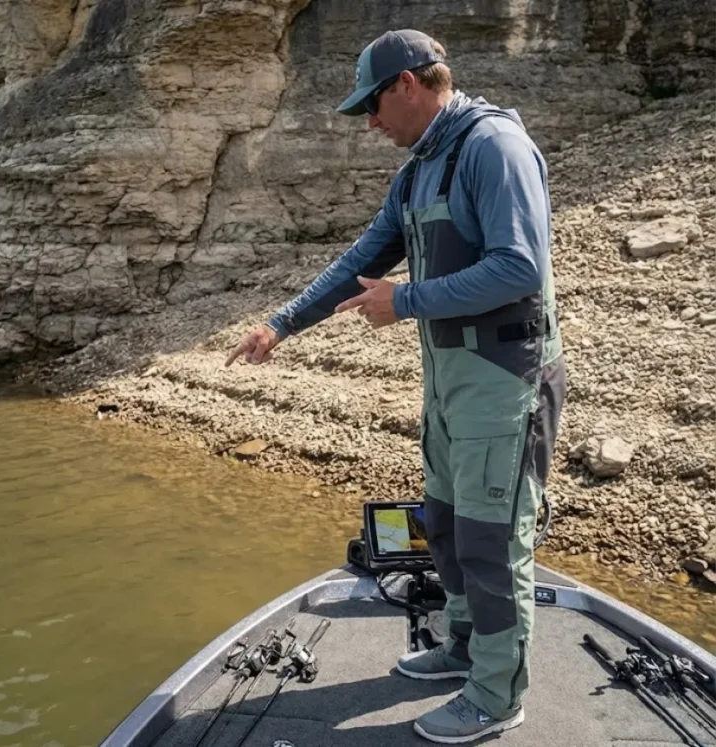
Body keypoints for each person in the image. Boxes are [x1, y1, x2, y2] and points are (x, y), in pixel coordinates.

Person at [224, 28, 567, 744]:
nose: (369, 124)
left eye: (372, 108)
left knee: (491, 540)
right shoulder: (418, 169)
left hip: (504, 381)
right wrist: (282, 325)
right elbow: (361, 259)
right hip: (450, 383)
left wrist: (404, 300)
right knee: (444, 523)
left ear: (408, 85)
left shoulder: (492, 147)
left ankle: (497, 695)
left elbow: (519, 268)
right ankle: (465, 648)